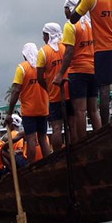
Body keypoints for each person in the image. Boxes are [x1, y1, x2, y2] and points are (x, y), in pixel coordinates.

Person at [56, 0, 101, 141]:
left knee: (80, 111)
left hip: (78, 71)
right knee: (93, 110)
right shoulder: (91, 23)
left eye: (65, 10)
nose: (65, 13)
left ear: (70, 8)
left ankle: (84, 143)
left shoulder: (70, 25)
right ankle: (100, 138)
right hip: (93, 69)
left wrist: (60, 73)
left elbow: (69, 52)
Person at [6, 43, 52, 163]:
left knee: (31, 139)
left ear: (24, 55)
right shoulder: (42, 67)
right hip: (43, 109)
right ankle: (49, 163)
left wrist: (9, 113)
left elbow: (16, 91)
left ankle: (31, 165)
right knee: (43, 137)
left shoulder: (22, 68)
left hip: (29, 111)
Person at [37, 22, 72, 151]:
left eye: (44, 35)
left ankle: (57, 155)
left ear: (48, 35)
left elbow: (39, 77)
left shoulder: (43, 52)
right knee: (71, 125)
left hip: (54, 94)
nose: (43, 38)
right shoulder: (66, 46)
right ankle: (75, 150)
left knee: (57, 127)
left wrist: (49, 88)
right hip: (69, 90)